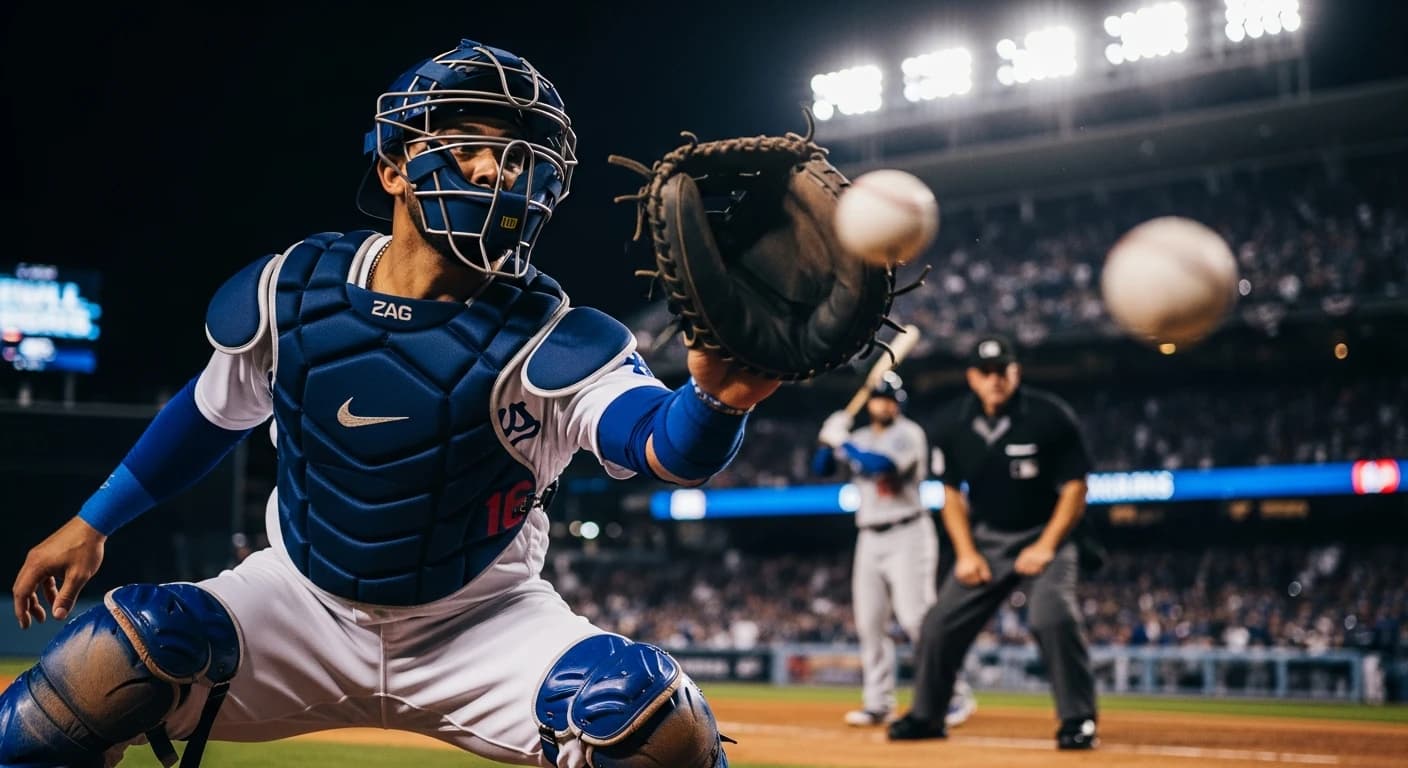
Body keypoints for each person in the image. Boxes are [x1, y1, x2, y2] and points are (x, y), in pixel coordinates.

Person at [1, 39, 779, 768]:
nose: (496, 170)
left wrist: (718, 395)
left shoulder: (562, 339)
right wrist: (90, 523)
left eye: (518, 155)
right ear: (395, 169)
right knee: (100, 670)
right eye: (468, 141)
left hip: (483, 625)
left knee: (651, 721)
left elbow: (664, 445)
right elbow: (210, 415)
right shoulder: (295, 291)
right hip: (296, 604)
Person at [887, 335, 1099, 749]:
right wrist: (966, 553)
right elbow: (950, 495)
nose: (995, 379)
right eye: (986, 372)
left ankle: (1078, 719)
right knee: (937, 625)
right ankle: (928, 716)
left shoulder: (1050, 415)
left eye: (1003, 370)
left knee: (1051, 616)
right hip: (987, 540)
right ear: (972, 377)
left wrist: (1045, 546)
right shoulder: (952, 423)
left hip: (1047, 534)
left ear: (1015, 372)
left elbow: (1075, 489)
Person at [811, 372, 976, 729]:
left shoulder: (909, 434)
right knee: (870, 623)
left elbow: (880, 467)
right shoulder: (860, 436)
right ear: (870, 403)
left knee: (917, 619)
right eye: (878, 398)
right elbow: (820, 469)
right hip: (869, 536)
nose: (883, 404)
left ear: (898, 404)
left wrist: (843, 443)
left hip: (908, 533)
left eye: (890, 399)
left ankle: (955, 693)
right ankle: (878, 703)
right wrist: (827, 440)